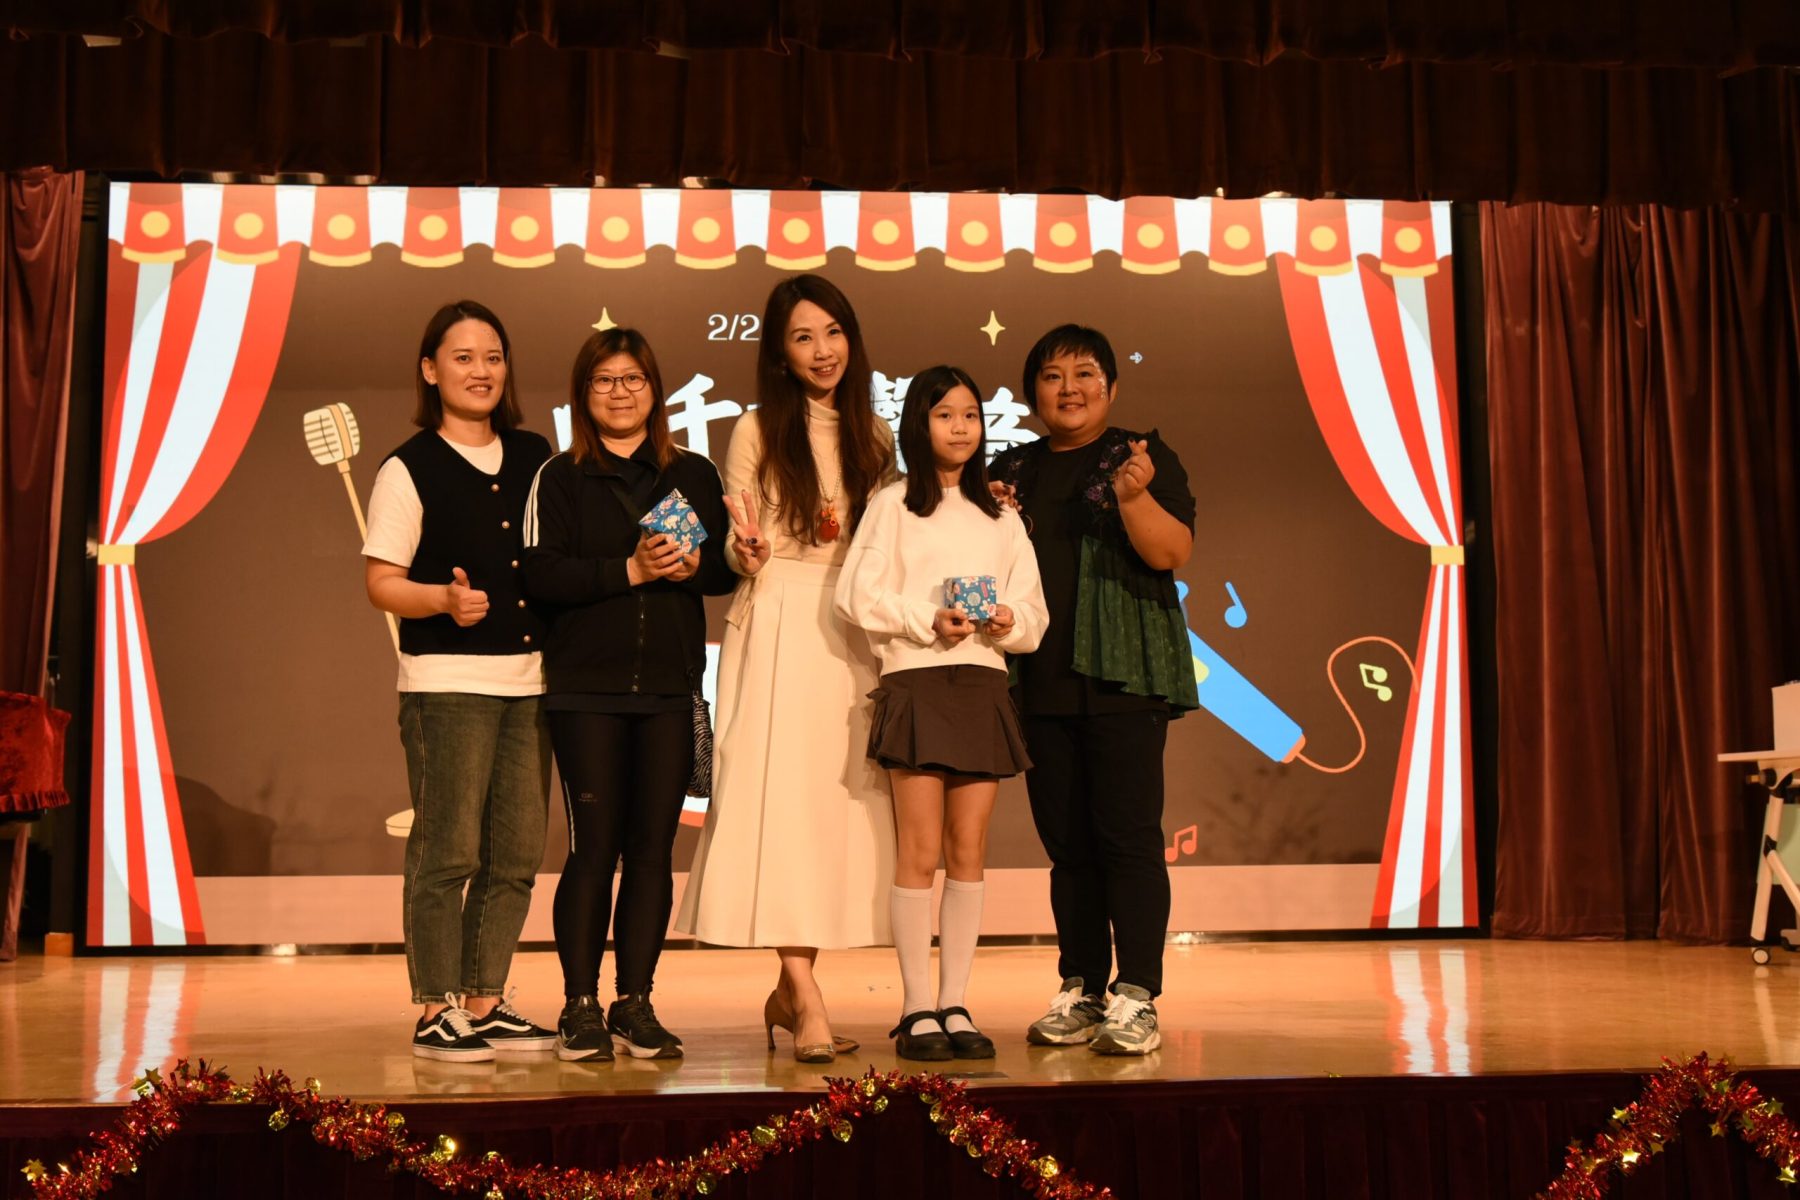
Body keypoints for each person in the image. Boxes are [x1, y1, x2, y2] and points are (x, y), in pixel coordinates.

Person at [675, 274, 896, 1063]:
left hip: (852, 627)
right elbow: (741, 539)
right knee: (777, 806)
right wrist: (747, 551)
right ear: (779, 352)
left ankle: (791, 988)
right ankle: (808, 1000)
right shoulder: (756, 428)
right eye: (803, 337)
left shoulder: (876, 436)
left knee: (831, 813)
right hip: (775, 621)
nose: (822, 350)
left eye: (833, 332)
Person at [521, 328, 736, 1062]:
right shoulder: (560, 477)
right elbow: (540, 575)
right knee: (593, 850)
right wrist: (630, 571)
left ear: (655, 389)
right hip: (586, 692)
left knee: (651, 854)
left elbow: (721, 573)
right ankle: (579, 1005)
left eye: (633, 378)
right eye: (604, 380)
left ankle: (634, 1002)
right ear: (584, 394)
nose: (620, 392)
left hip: (671, 693)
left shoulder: (693, 473)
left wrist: (706, 564)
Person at [989, 324, 1198, 1057]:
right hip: (1038, 675)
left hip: (1123, 675)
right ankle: (1080, 987)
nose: (1069, 388)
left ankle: (1136, 994)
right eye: (1052, 376)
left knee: (1128, 839)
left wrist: (1133, 497)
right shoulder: (1010, 470)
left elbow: (1171, 551)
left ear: (1111, 386)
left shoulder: (1138, 455)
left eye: (1084, 374)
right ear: (1032, 393)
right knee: (1068, 846)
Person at [834, 365, 1047, 1061]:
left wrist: (1007, 619)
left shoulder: (1002, 516)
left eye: (970, 415)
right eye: (944, 414)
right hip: (917, 681)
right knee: (919, 852)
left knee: (968, 852)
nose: (961, 427)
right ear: (917, 425)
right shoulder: (892, 503)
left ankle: (956, 1002)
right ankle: (915, 1006)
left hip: (982, 682)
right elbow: (855, 595)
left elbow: (1034, 616)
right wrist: (927, 619)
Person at [363, 300, 556, 1062]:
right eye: (464, 357)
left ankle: (485, 999)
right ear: (430, 369)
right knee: (447, 851)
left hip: (530, 684)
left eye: (494, 357)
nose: (482, 371)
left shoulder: (536, 454)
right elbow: (381, 583)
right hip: (446, 685)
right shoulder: (407, 467)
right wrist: (442, 600)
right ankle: (435, 1007)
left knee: (516, 855)